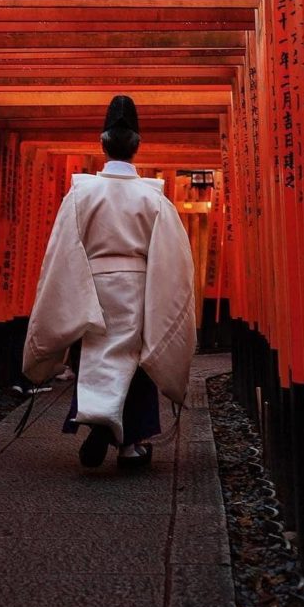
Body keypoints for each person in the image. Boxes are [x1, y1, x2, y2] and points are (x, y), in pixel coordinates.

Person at [22, 95, 196, 469]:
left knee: (93, 354)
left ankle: (97, 418)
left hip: (92, 284)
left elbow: (63, 249)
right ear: (137, 147)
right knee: (138, 360)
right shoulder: (153, 197)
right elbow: (172, 256)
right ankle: (131, 445)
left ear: (102, 145)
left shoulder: (82, 193)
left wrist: (67, 292)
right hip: (139, 286)